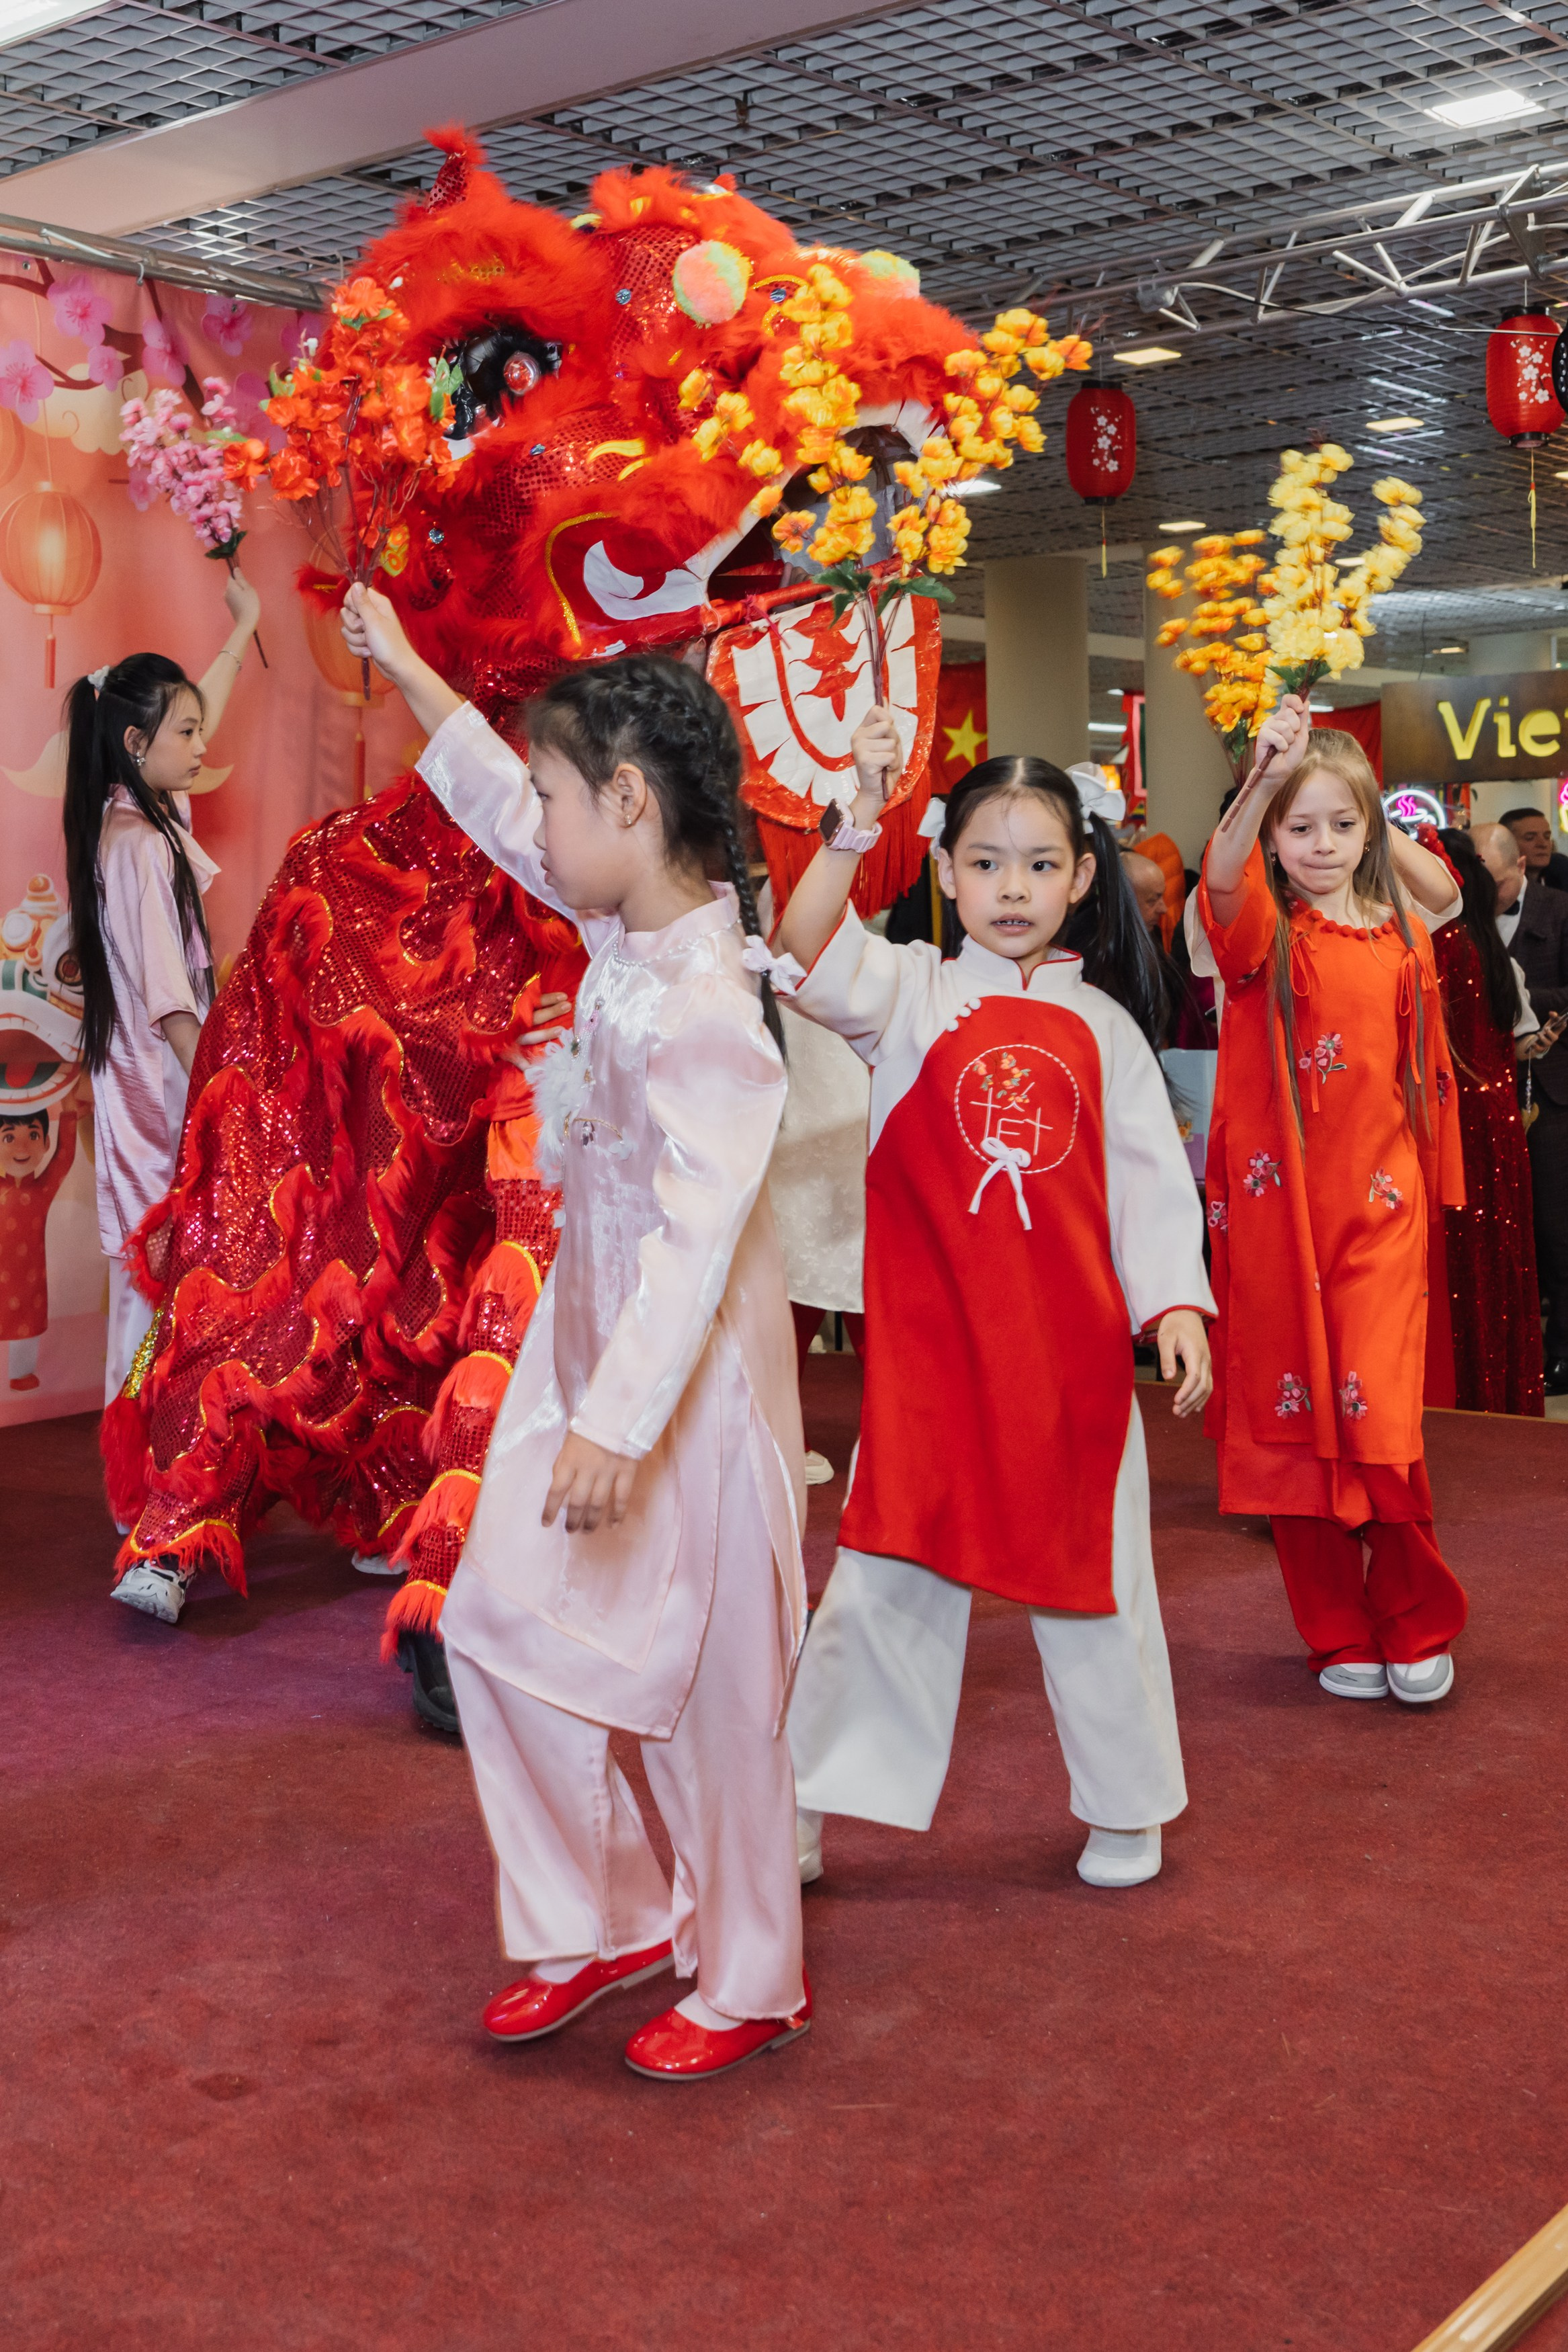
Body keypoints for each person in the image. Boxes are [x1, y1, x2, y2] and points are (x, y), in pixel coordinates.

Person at [341, 583, 811, 2082]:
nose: (532, 827)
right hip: (587, 1349)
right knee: (489, 1623)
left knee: (712, 1694)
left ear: (627, 799)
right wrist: (410, 670)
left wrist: (620, 1423)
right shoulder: (628, 936)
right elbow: (491, 806)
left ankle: (750, 1976)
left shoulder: (709, 1006)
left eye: (556, 796)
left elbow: (695, 1236)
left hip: (691, 1387)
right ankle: (598, 1914)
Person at [777, 715, 1213, 1894]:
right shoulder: (902, 993)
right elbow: (802, 939)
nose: (1009, 888)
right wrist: (854, 813)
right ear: (942, 870)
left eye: (1035, 864)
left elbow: (1148, 1189)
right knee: (881, 1576)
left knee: (1093, 1583)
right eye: (982, 862)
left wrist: (1174, 1305)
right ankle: (806, 1806)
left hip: (1068, 1366)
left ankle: (1125, 1806)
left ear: (1080, 877)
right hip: (931, 1356)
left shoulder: (1109, 1028)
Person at [1201, 707, 1467, 1705]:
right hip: (1283, 1224)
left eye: (1339, 827)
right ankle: (1335, 1628)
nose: (1319, 848)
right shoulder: (1266, 932)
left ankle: (1413, 1617)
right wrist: (1267, 779)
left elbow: (1444, 887)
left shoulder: (1403, 919)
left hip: (1383, 1216)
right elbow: (1222, 879)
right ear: (1270, 832)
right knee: (1296, 1423)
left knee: (1382, 1419)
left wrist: (1350, 787)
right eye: (1297, 830)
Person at [60, 577, 261, 1605]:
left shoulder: (135, 813)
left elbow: (193, 718)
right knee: (156, 1305)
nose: (202, 744)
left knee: (160, 1302)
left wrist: (243, 628)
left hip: (152, 1092)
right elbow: (178, 1007)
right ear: (138, 748)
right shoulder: (138, 847)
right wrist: (224, 1101)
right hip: (161, 1096)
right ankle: (151, 1521)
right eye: (182, 732)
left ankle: (156, 1509)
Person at [1431, 829, 1552, 1415]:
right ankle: (1500, 1390)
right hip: (1497, 1124)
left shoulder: (1439, 947)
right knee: (1499, 1263)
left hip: (1455, 1126)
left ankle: (1465, 1391)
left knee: (1462, 1267)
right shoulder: (1485, 946)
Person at [1473, 820, 1568, 1394]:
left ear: (1521, 869)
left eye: (1494, 882)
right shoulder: (1461, 920)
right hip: (1487, 1092)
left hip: (1551, 1089)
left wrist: (1519, 998)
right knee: (1503, 1229)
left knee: (1557, 1229)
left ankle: (1563, 1351)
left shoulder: (1559, 911)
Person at [0, 1099, 79, 1390]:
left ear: (45, 1142)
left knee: (28, 1328)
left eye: (32, 1135)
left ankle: (21, 1374)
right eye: (9, 1137)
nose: (22, 1147)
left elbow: (64, 1158)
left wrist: (69, 1115)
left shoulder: (42, 1189)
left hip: (30, 1281)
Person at [1501, 805, 1568, 894]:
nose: (1543, 844)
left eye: (1547, 837)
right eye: (1530, 838)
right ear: (1506, 844)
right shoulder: (1496, 889)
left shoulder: (1560, 869)